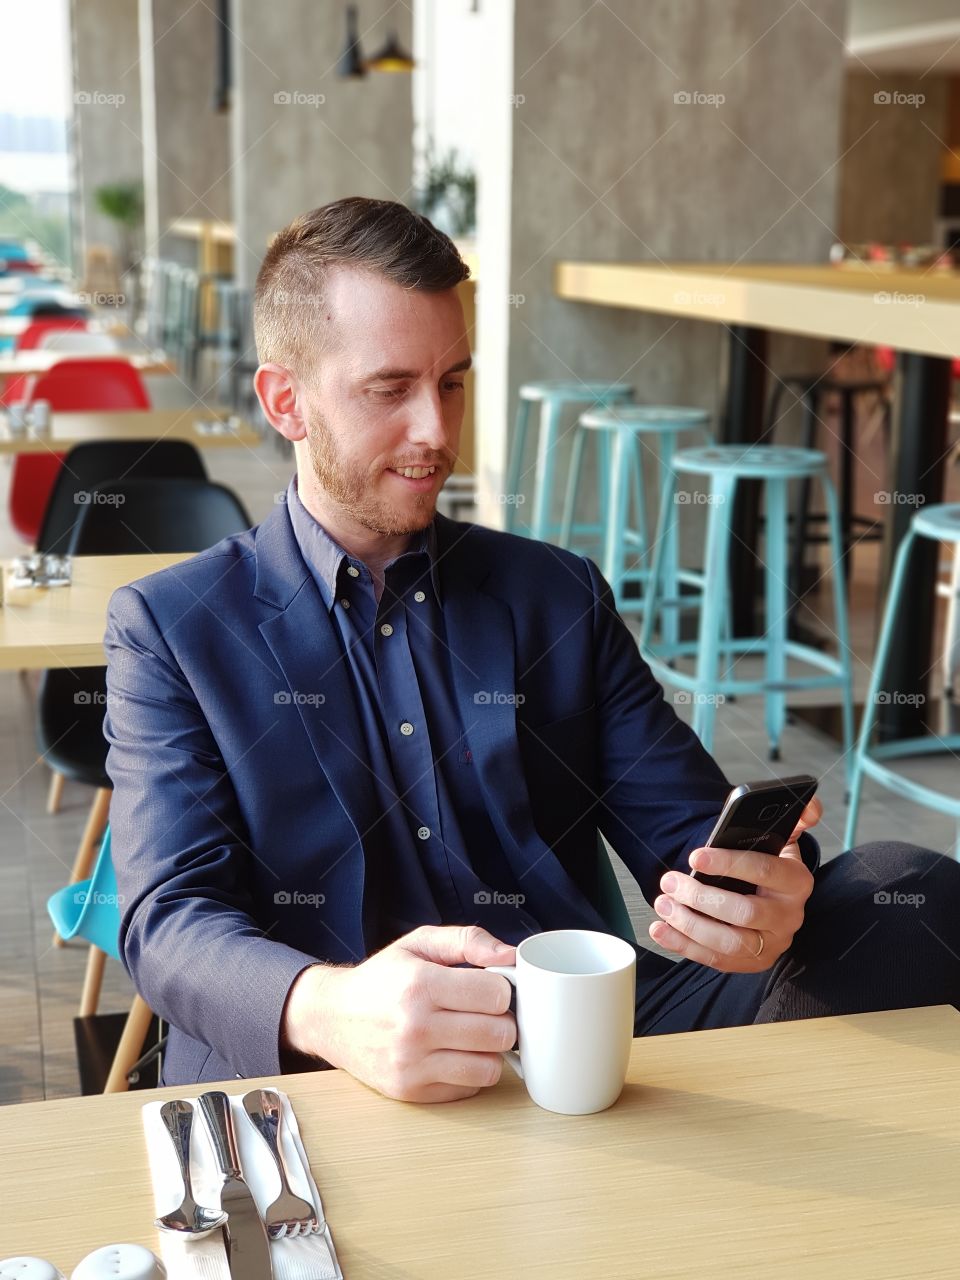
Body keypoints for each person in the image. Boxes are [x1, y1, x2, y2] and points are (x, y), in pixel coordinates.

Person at [104, 197, 960, 1101]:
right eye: (390, 390)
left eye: (454, 382)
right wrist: (331, 1005)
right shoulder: (174, 627)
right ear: (287, 402)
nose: (436, 431)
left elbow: (689, 834)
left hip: (581, 1040)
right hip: (329, 1063)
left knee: (909, 894)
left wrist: (754, 899)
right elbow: (169, 922)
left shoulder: (554, 595)